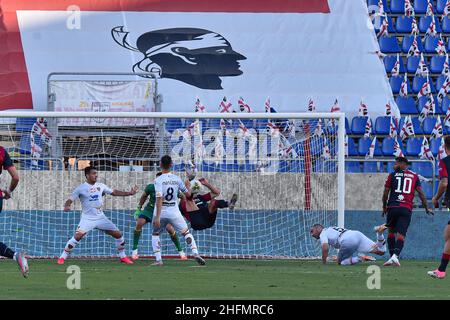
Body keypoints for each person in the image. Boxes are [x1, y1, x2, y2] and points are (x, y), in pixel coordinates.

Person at [58, 166, 138, 265]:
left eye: (96, 173)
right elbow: (70, 199)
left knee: (119, 235)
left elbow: (114, 192)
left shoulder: (101, 186)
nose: (96, 175)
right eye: (93, 173)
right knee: (78, 236)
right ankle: (62, 257)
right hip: (87, 218)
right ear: (87, 175)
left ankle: (123, 256)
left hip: (101, 218)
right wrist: (67, 205)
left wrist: (129, 193)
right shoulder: (81, 188)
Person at [152, 155, 205, 266]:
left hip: (161, 212)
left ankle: (158, 260)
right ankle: (195, 253)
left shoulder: (158, 180)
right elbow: (188, 195)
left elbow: (159, 198)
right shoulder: (177, 179)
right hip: (174, 212)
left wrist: (157, 217)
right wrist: (193, 185)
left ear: (160, 165)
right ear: (171, 165)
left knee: (155, 234)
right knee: (186, 232)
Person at [382, 156, 433, 267]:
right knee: (401, 234)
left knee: (391, 231)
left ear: (403, 164)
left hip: (393, 207)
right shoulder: (414, 176)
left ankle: (392, 256)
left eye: (396, 163)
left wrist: (384, 207)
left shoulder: (392, 175)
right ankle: (394, 256)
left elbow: (386, 192)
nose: (394, 165)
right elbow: (421, 193)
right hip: (406, 208)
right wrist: (426, 207)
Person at [132, 172, 186, 260]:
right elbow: (143, 196)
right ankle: (134, 251)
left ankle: (181, 252)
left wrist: (178, 209)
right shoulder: (150, 187)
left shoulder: (170, 188)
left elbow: (183, 197)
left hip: (163, 211)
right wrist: (139, 208)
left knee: (170, 228)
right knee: (139, 222)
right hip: (150, 209)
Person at [0, 146, 28, 277]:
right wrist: (8, 192)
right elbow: (16, 177)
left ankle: (16, 256)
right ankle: (16, 256)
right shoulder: (1, 151)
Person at [310, 224, 386, 265]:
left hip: (348, 240)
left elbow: (325, 248)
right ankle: (379, 233)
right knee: (381, 251)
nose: (311, 234)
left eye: (312, 231)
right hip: (356, 234)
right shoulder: (330, 228)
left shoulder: (323, 233)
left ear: (318, 228)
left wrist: (324, 262)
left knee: (341, 262)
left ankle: (359, 258)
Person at [429, 136, 450, 278]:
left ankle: (441, 270)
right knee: (448, 235)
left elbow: (444, 183)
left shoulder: (445, 162)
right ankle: (441, 270)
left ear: (445, 147)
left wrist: (436, 198)